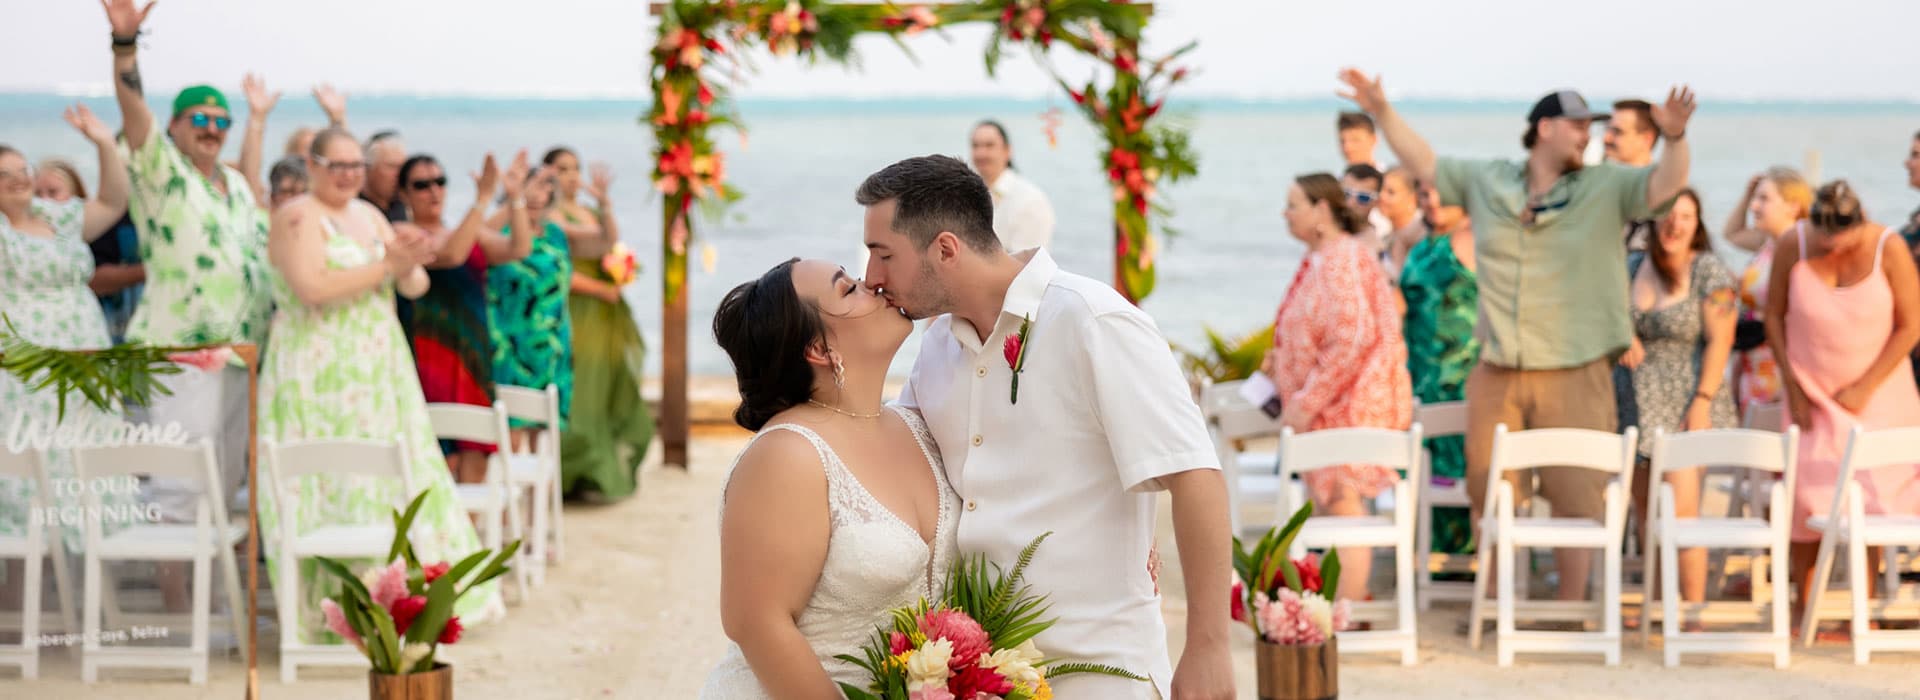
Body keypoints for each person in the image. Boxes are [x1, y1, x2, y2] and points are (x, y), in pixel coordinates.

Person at [861, 155, 1234, 699]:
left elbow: (1195, 474)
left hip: (1102, 673)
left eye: (883, 255)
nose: (872, 277)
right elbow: (898, 462)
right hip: (984, 675)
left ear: (944, 248)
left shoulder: (1093, 320)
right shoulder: (937, 345)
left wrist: (1209, 646)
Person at [1339, 67, 1696, 607]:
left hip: (1577, 368)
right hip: (1499, 369)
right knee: (1490, 495)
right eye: (1578, 126)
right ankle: (1497, 605)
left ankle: (1572, 611)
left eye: (1591, 127)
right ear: (1545, 128)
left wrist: (1674, 137)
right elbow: (1425, 164)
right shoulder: (1491, 180)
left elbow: (1665, 187)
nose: (1587, 136)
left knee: (1577, 494)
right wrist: (1382, 111)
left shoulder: (1605, 185)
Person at [256, 128, 503, 641]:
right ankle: (340, 610)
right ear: (314, 165)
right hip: (316, 367)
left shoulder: (369, 216)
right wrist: (385, 265)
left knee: (394, 471)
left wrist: (407, 261)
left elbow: (413, 282)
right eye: (337, 165)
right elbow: (310, 289)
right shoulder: (297, 215)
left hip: (377, 367)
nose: (348, 175)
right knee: (330, 476)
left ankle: (401, 604)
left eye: (355, 167)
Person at [700, 258, 957, 698]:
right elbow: (756, 622)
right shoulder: (788, 453)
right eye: (849, 288)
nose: (874, 284)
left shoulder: (919, 425)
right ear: (819, 349)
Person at [103, 0, 274, 540]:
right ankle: (176, 611)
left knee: (223, 480)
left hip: (236, 350)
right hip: (181, 347)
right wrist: (125, 47)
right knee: (180, 485)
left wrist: (256, 123)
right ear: (174, 125)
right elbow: (135, 115)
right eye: (199, 118)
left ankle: (209, 608)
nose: (212, 128)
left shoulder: (235, 186)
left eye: (220, 120)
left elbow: (254, 215)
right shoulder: (162, 174)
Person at [1764, 181, 1920, 629]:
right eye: (1822, 240)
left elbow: (1911, 326)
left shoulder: (1888, 248)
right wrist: (1791, 385)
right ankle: (1803, 610)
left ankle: (1861, 613)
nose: (1830, 249)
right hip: (1809, 393)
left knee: (1868, 501)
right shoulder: (1792, 244)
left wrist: (1865, 387)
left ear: (1860, 224)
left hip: (1879, 396)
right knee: (1804, 500)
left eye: (1839, 241)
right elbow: (1773, 313)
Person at [0, 107, 145, 582]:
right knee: (30, 471)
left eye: (23, 170)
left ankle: (82, 601)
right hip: (24, 373)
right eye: (5, 175)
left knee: (84, 465)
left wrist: (104, 142)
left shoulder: (57, 218)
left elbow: (113, 200)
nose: (18, 180)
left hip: (84, 363)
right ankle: (21, 602)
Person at [1263, 172, 1414, 605]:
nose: (1285, 213)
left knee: (1344, 500)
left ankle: (1345, 611)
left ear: (1322, 211)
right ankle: (1343, 603)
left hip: (1350, 408)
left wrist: (1307, 402)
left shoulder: (1343, 257)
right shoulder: (1324, 257)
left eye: (1294, 204)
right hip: (1330, 410)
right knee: (1332, 501)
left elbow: (1352, 337)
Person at [1616, 189, 1737, 612]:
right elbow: (1605, 311)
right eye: (1668, 214)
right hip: (1634, 404)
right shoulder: (1631, 266)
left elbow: (1722, 340)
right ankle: (1655, 607)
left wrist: (1702, 399)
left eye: (1685, 216)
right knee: (1646, 513)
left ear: (1697, 223)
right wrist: (1623, 334)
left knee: (1683, 511)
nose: (1675, 224)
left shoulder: (1709, 271)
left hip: (1687, 401)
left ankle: (1693, 609)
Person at [394, 151, 533, 484]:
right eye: (422, 185)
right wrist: (483, 199)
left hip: (471, 350)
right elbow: (452, 255)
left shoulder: (465, 230)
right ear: (404, 193)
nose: (434, 191)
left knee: (476, 446)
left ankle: (469, 532)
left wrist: (515, 199)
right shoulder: (401, 233)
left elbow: (519, 248)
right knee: (434, 450)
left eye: (440, 182)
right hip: (428, 350)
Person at [547, 148, 654, 500]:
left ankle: (593, 473)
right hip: (577, 308)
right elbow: (571, 253)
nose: (571, 175)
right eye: (563, 169)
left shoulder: (588, 211)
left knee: (606, 385)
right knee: (582, 391)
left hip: (604, 311)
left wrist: (605, 203)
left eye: (574, 168)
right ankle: (569, 473)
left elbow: (608, 241)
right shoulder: (550, 216)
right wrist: (601, 288)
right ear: (548, 173)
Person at [1399, 186, 1478, 558]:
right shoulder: (1421, 243)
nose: (1431, 202)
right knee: (1425, 461)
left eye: (1440, 195)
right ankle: (1428, 553)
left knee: (1462, 460)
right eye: (1425, 195)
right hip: (1420, 366)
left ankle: (1467, 556)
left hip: (1460, 367)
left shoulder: (1473, 240)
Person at [486, 165, 573, 449]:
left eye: (544, 187)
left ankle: (546, 495)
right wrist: (516, 199)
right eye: (531, 188)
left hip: (552, 344)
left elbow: (601, 242)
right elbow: (475, 235)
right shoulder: (501, 234)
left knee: (547, 440)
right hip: (510, 345)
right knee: (510, 431)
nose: (537, 196)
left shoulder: (555, 234)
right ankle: (512, 494)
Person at [1723, 167, 1814, 413]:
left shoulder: (1802, 247)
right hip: (1751, 359)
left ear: (1792, 206)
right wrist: (1747, 194)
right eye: (1755, 199)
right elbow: (1730, 233)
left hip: (1779, 362)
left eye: (1764, 198)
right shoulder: (1767, 242)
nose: (1754, 206)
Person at [970, 120, 1055, 252]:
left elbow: (1028, 266)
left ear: (1007, 150)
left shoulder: (1030, 200)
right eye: (976, 146)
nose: (981, 153)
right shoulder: (969, 195)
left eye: (989, 145)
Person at [1605, 99, 1661, 259]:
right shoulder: (1605, 186)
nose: (1606, 138)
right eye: (1607, 129)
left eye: (1617, 132)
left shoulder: (1662, 193)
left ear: (1646, 139)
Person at [1376, 166, 1426, 282]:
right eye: (1380, 190)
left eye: (1391, 192)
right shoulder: (1386, 237)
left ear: (1413, 198)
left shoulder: (1420, 237)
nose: (1381, 197)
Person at [362, 130, 408, 222]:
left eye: (403, 167)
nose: (400, 174)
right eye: (392, 167)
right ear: (368, 169)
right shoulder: (355, 206)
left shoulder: (406, 204)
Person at [1342, 163, 1388, 249]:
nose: (1351, 203)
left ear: (1377, 202)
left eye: (1363, 197)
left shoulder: (1379, 242)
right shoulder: (1320, 230)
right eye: (1346, 194)